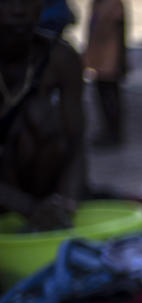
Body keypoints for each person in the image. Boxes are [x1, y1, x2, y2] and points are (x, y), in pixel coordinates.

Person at [0, 0, 86, 231]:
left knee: (40, 117)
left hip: (38, 183)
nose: (18, 9)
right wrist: (28, 208)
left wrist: (67, 202)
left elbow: (76, 144)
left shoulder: (61, 58)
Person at [84, 0, 127, 148]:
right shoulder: (98, 4)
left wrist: (122, 60)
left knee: (110, 96)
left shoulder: (113, 4)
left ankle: (113, 133)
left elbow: (121, 32)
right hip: (100, 58)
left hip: (110, 59)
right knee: (103, 95)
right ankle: (109, 131)